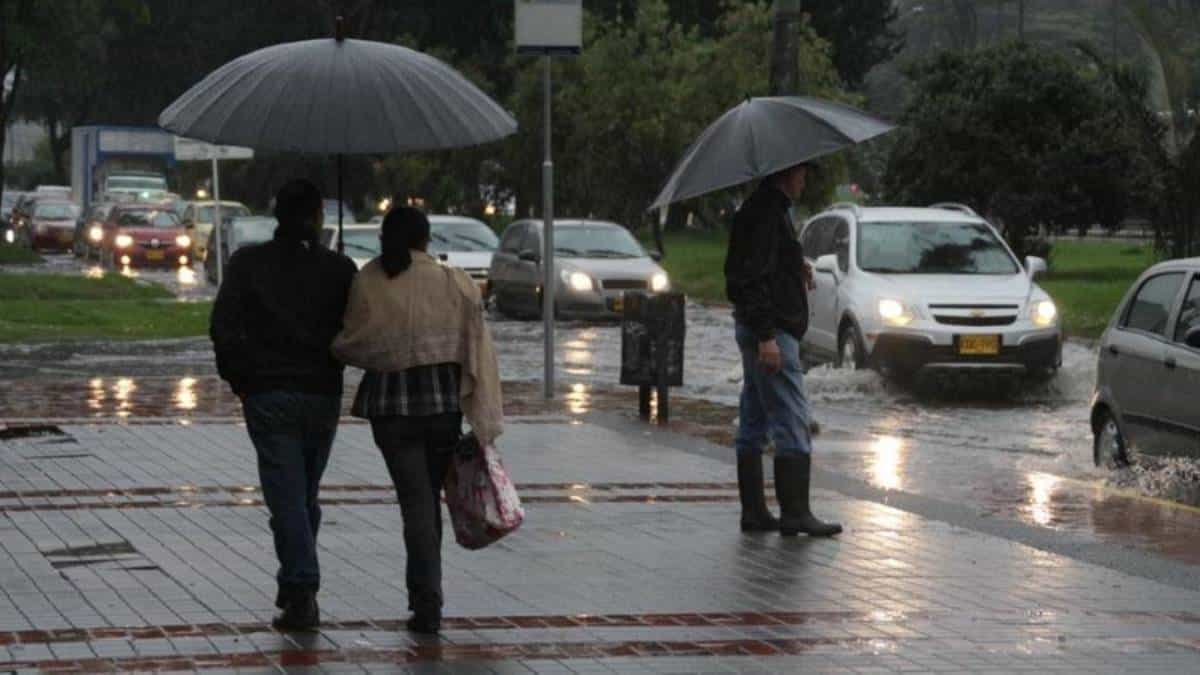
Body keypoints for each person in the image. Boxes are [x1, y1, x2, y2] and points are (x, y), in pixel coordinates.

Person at [332, 207, 503, 635]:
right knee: (427, 501)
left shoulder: (370, 278)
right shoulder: (454, 281)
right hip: (441, 408)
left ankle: (426, 600)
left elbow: (352, 343)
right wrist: (483, 416)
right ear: (427, 239)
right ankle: (428, 597)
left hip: (391, 412)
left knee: (418, 503)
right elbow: (477, 348)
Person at [210, 179, 357, 630]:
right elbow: (357, 330)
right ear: (316, 217)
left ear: (277, 214)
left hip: (269, 394)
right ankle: (296, 586)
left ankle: (301, 586)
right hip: (320, 395)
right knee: (302, 496)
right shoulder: (339, 269)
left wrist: (241, 380)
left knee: (291, 497)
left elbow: (222, 326)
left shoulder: (248, 264)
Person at [724, 162, 842, 538]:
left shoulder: (764, 210)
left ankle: (755, 513)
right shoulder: (765, 213)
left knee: (754, 418)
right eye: (802, 174)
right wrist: (767, 336)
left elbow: (760, 267)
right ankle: (795, 512)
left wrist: (796, 267)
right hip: (772, 330)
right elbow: (750, 279)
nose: (805, 179)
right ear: (786, 175)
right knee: (792, 417)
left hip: (761, 327)